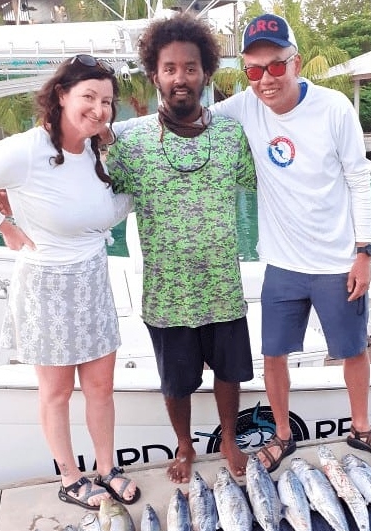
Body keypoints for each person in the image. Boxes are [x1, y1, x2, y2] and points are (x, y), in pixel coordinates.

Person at [0, 55, 139, 508]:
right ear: (62, 95)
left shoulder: (98, 148)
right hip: (47, 284)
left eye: (106, 101)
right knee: (58, 391)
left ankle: (107, 469)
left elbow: (110, 204)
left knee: (101, 388)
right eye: (88, 96)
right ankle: (70, 479)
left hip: (92, 278)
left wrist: (109, 144)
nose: (99, 109)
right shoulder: (28, 150)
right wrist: (2, 224)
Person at [211, 13, 371, 471]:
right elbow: (191, 119)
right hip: (281, 262)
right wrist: (106, 134)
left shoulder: (335, 107)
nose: (265, 80)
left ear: (295, 62)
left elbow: (359, 182)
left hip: (337, 261)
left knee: (353, 350)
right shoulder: (243, 106)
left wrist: (364, 253)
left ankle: (361, 428)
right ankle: (282, 435)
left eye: (275, 66)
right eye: (254, 70)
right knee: (273, 354)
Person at [106, 14, 257, 483]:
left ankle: (229, 437)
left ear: (205, 72)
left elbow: (270, 183)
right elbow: (91, 190)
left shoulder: (231, 137)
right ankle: (186, 445)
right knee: (176, 382)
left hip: (222, 286)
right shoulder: (130, 143)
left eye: (189, 68)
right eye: (169, 68)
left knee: (229, 373)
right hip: (167, 293)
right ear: (155, 75)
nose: (180, 78)